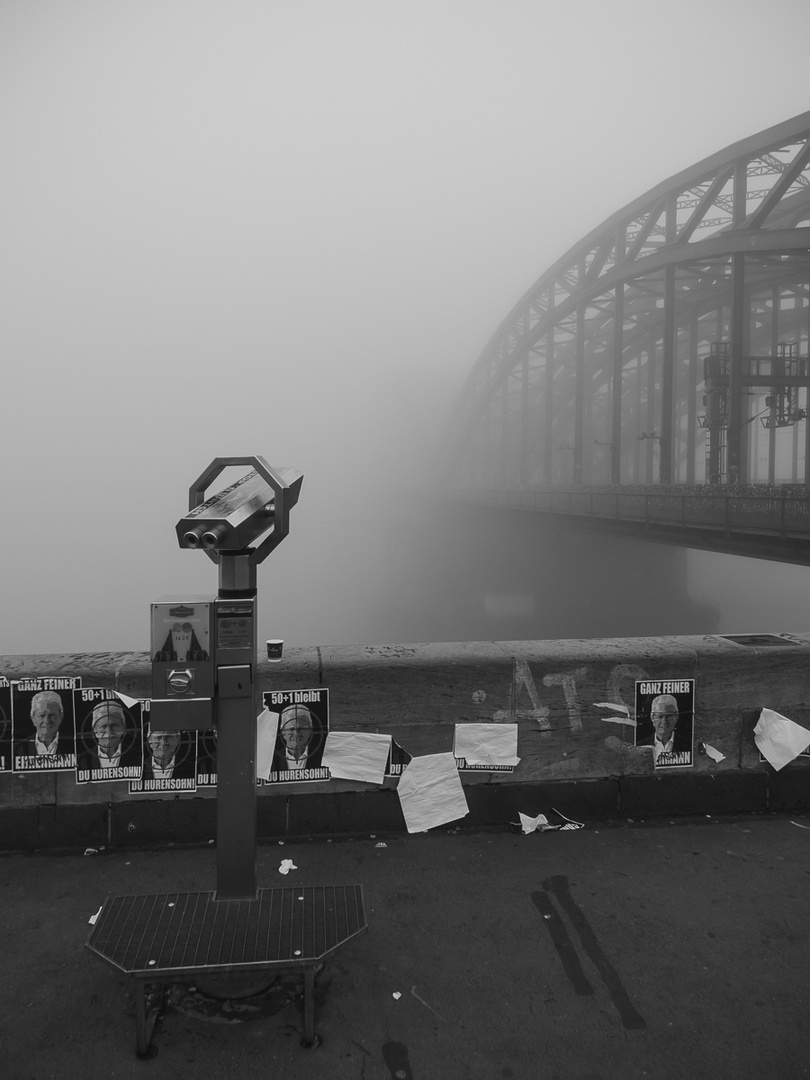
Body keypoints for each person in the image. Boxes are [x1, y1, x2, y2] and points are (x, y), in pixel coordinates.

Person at [77, 700, 141, 771]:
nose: (109, 732)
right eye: (103, 726)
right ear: (95, 730)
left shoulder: (139, 757)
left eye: (114, 726)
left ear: (123, 727)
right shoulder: (81, 761)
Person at [272, 704, 324, 772]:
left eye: (301, 729)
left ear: (310, 730)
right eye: (291, 729)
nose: (296, 734)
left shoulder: (322, 758)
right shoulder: (271, 761)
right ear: (283, 732)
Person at [14, 691, 65, 756]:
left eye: (52, 715)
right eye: (41, 715)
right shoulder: (17, 749)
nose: (47, 721)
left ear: (61, 717)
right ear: (33, 718)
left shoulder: (75, 746)